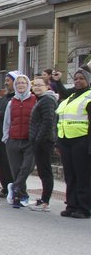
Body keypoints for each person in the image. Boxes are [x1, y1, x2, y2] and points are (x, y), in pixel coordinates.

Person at [55, 68, 91, 218]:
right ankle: (71, 205)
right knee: (70, 176)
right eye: (75, 78)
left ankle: (84, 208)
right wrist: (58, 142)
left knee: (83, 176)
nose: (78, 81)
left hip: (82, 141)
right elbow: (60, 120)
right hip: (66, 140)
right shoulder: (71, 96)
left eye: (81, 78)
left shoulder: (88, 96)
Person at [2, 73, 36, 209]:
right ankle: (21, 195)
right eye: (18, 83)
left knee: (26, 167)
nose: (20, 85)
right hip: (13, 139)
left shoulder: (34, 100)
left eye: (23, 83)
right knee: (16, 170)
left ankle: (14, 187)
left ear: (28, 85)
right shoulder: (12, 102)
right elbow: (7, 121)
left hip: (29, 140)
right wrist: (6, 138)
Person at [28, 76, 57, 212]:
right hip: (39, 141)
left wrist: (38, 140)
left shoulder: (47, 100)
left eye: (40, 85)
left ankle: (45, 201)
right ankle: (44, 199)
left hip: (44, 142)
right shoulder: (41, 100)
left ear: (47, 87)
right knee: (42, 172)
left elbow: (47, 122)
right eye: (35, 85)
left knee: (45, 172)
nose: (37, 87)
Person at [0, 72, 17, 198]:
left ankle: (13, 187)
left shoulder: (17, 97)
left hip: (12, 136)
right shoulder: (5, 97)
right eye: (6, 80)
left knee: (10, 163)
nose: (6, 83)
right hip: (0, 134)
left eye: (9, 80)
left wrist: (1, 115)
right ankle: (5, 187)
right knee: (1, 163)